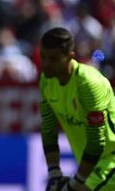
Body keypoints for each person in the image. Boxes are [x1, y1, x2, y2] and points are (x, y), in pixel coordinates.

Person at [39, 27, 115, 191]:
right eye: (43, 57)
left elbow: (97, 141)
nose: (45, 64)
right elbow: (48, 127)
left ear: (70, 57)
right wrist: (54, 172)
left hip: (111, 160)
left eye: (53, 59)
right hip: (93, 164)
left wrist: (75, 183)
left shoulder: (89, 80)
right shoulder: (47, 80)